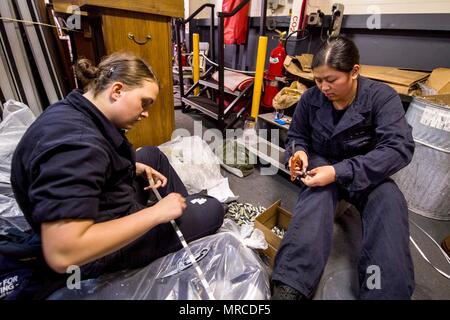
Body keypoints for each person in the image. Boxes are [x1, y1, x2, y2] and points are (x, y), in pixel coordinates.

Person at [10, 52, 224, 298]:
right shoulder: (78, 147)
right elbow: (63, 253)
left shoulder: (73, 109)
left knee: (151, 155)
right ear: (117, 90)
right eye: (144, 102)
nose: (145, 114)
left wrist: (134, 166)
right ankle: (182, 219)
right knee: (212, 207)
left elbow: (92, 167)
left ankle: (181, 215)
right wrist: (155, 214)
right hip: (94, 253)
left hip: (103, 204)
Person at [271, 37, 415, 300]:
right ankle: (291, 282)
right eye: (317, 80)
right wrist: (298, 152)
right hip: (321, 164)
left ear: (355, 71)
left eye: (331, 80)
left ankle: (385, 293)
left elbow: (398, 148)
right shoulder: (310, 99)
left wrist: (339, 172)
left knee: (390, 201)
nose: (323, 87)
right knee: (317, 194)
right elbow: (296, 135)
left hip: (366, 172)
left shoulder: (381, 98)